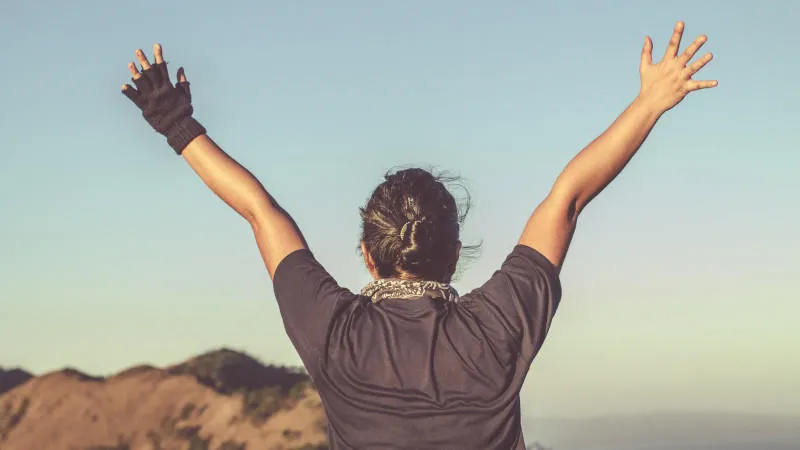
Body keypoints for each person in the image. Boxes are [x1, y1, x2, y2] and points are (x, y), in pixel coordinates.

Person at [121, 21, 716, 450]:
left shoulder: (336, 333)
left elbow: (261, 212)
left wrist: (176, 125)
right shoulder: (496, 328)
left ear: (367, 255)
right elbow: (569, 198)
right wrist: (651, 102)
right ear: (454, 255)